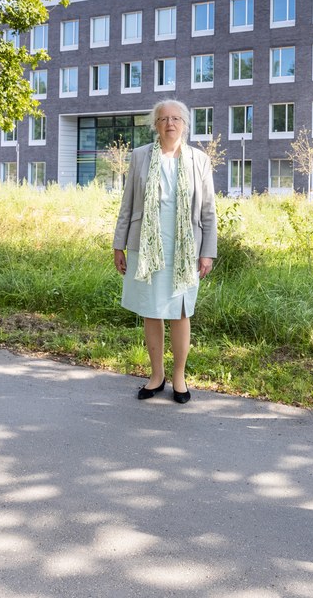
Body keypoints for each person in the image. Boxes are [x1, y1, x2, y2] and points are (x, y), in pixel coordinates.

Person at [113, 99, 217, 404]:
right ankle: (156, 375)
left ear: (184, 124)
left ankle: (179, 377)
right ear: (155, 125)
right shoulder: (140, 157)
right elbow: (128, 204)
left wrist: (207, 252)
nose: (170, 124)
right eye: (163, 119)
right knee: (151, 309)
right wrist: (118, 245)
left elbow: (209, 211)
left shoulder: (199, 160)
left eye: (175, 119)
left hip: (185, 250)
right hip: (146, 248)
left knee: (180, 311)